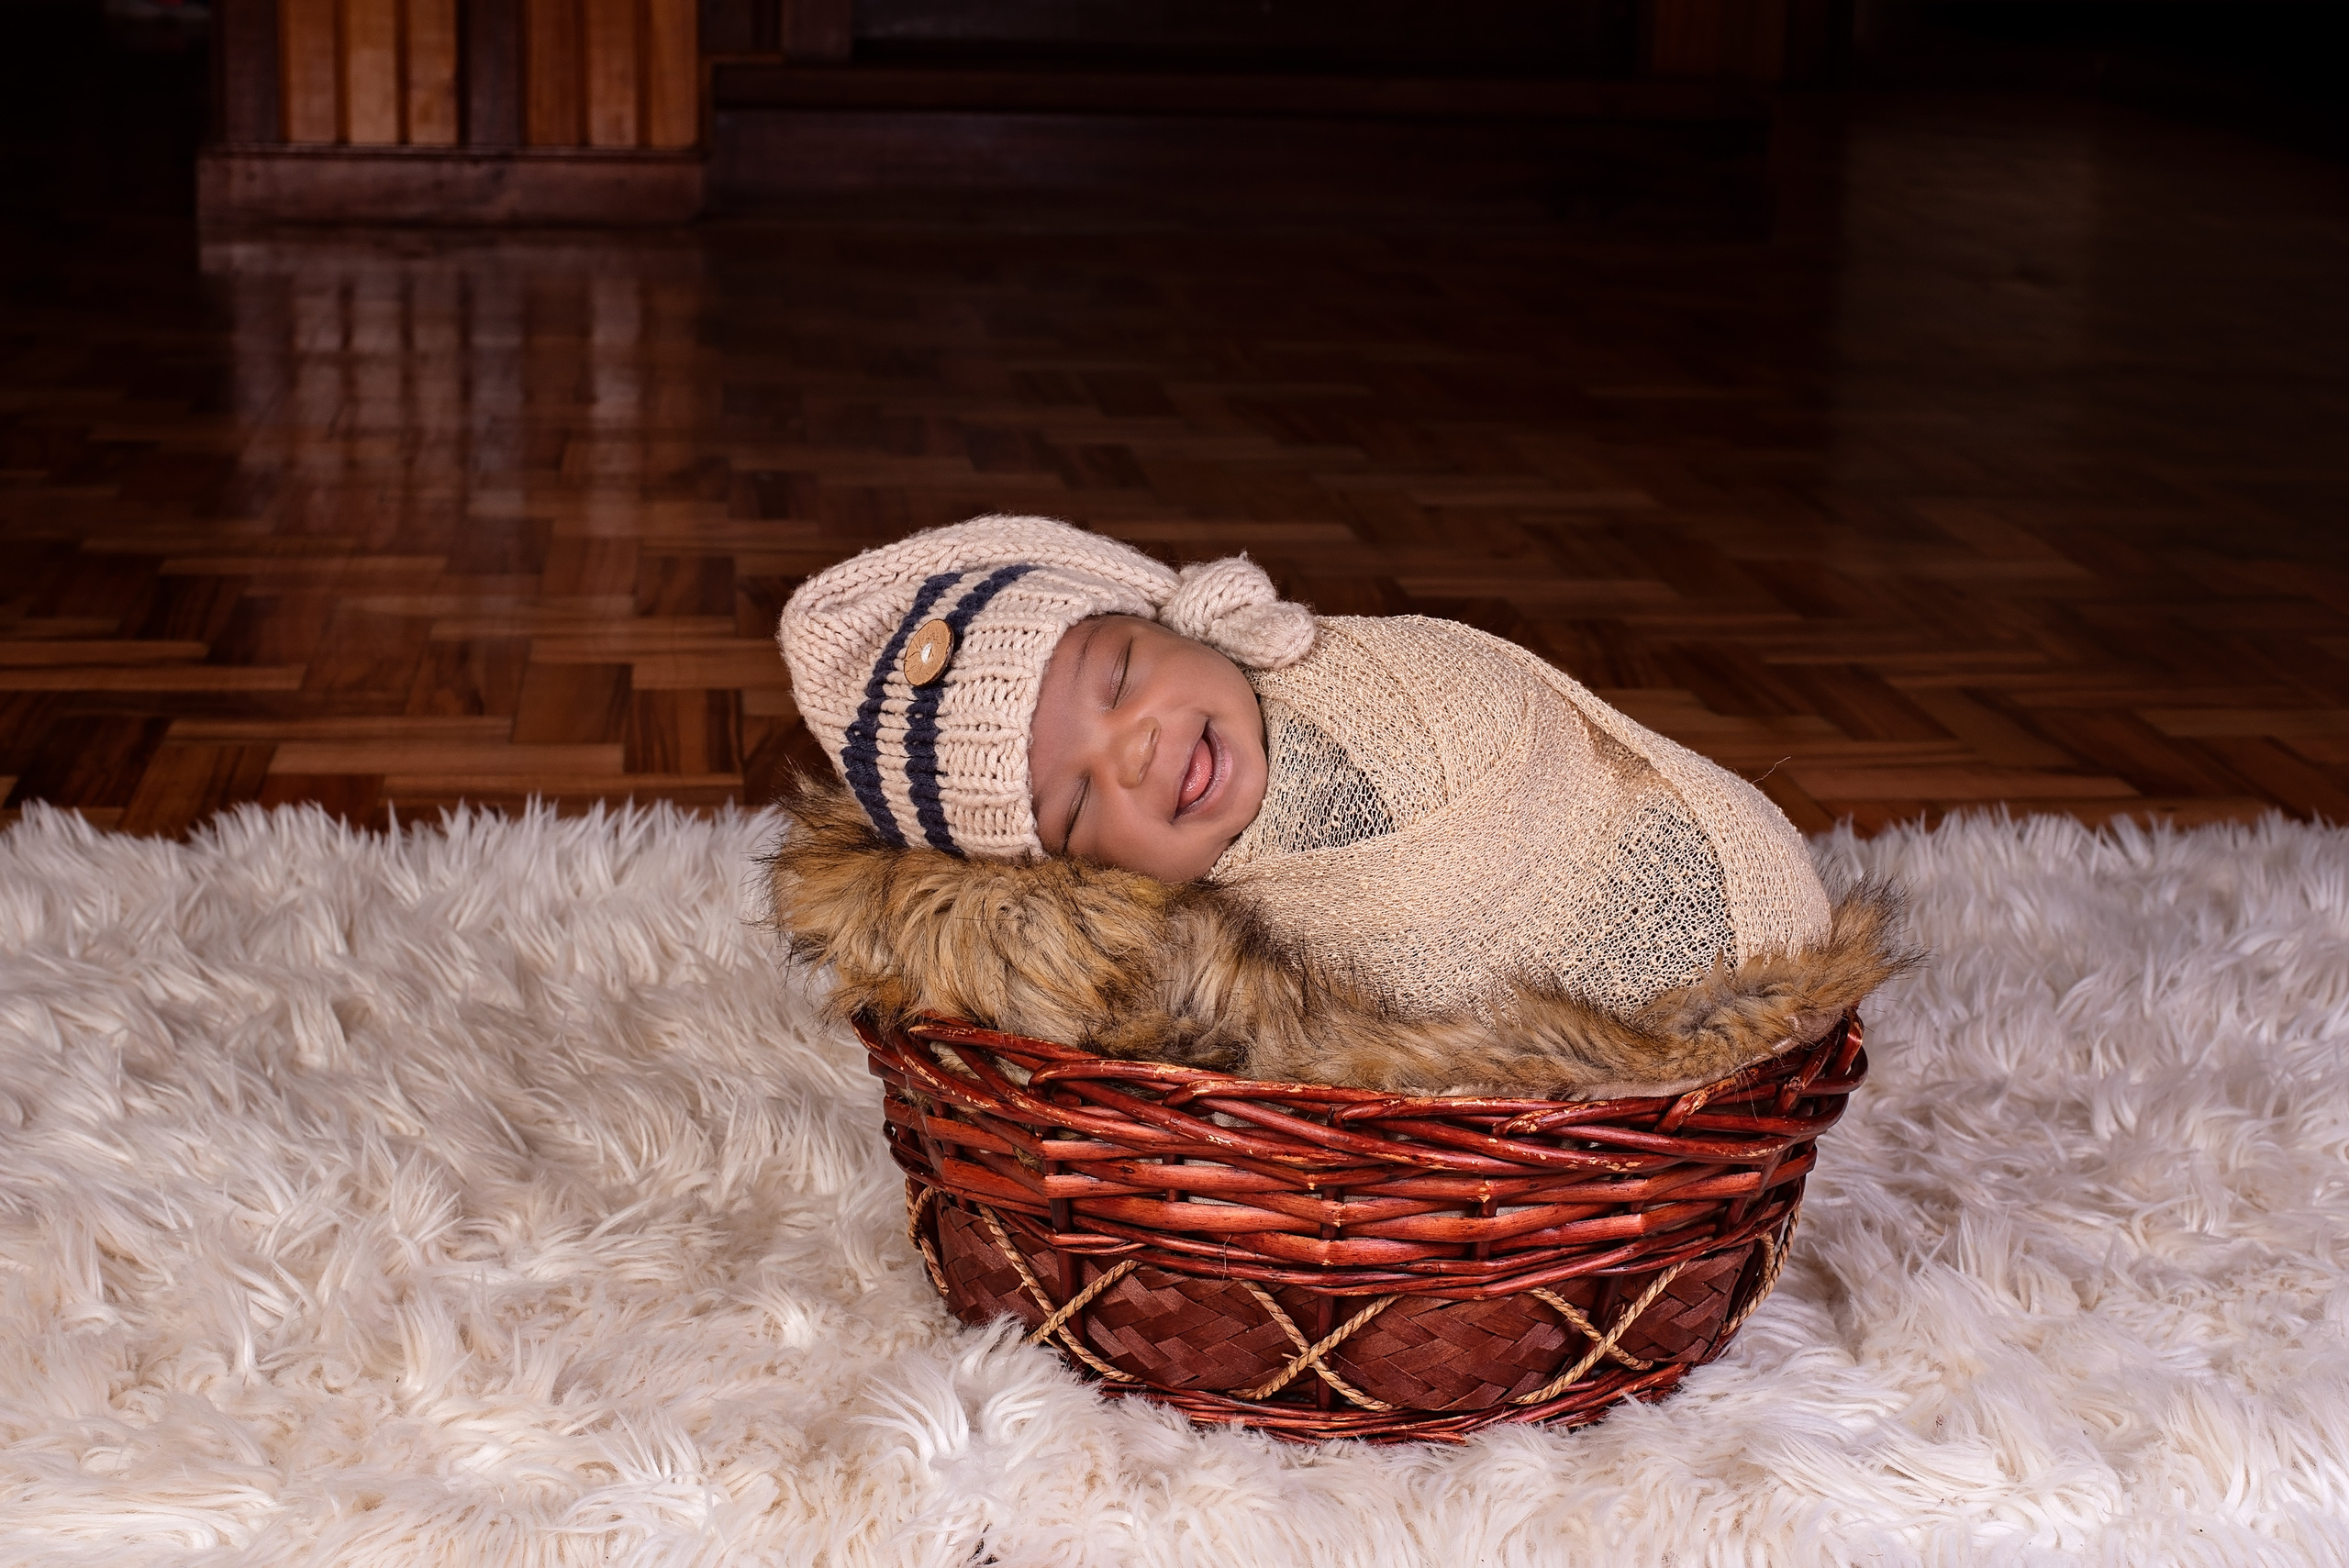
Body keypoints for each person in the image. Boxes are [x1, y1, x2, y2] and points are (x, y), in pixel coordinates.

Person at [771, 515, 1908, 1096]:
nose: (1137, 750)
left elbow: (1511, 706)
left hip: (1706, 872)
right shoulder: (1211, 945)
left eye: (1119, 677)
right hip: (1585, 1044)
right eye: (1073, 805)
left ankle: (1695, 923)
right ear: (1079, 877)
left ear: (1174, 618)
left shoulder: (1357, 671)